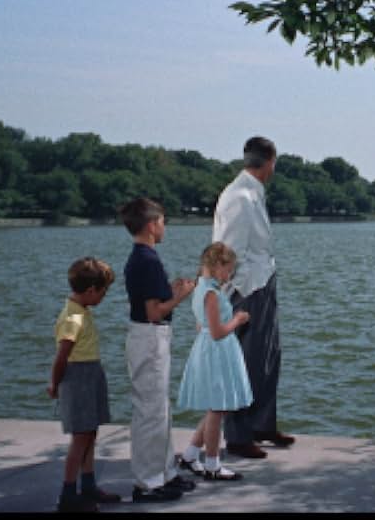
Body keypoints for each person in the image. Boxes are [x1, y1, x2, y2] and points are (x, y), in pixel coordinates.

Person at [213, 135, 295, 459]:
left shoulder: (251, 193)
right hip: (249, 290)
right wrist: (243, 292)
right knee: (246, 363)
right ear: (270, 161)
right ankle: (238, 435)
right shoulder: (240, 197)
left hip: (262, 282)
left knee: (268, 360)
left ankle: (262, 425)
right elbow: (228, 252)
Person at [119, 197, 198, 503]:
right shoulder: (148, 261)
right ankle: (148, 483)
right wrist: (182, 296)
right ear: (152, 226)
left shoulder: (141, 257)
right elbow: (154, 311)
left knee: (159, 409)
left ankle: (165, 473)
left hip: (148, 337)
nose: (165, 227)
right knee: (151, 412)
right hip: (150, 336)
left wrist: (174, 292)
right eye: (163, 222)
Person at [46, 257, 120, 513]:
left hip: (91, 373)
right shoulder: (73, 319)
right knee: (80, 437)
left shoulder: (81, 311)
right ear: (90, 291)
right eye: (103, 292)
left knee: (90, 432)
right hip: (78, 378)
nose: (104, 297)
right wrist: (54, 384)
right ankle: (68, 493)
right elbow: (62, 356)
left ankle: (88, 485)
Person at [175, 242, 253, 481]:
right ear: (218, 265)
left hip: (210, 348)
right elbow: (218, 331)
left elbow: (201, 325)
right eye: (228, 269)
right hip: (217, 349)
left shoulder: (201, 287)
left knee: (215, 408)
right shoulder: (210, 293)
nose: (229, 275)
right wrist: (238, 319)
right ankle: (212, 465)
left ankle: (190, 455)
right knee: (217, 408)